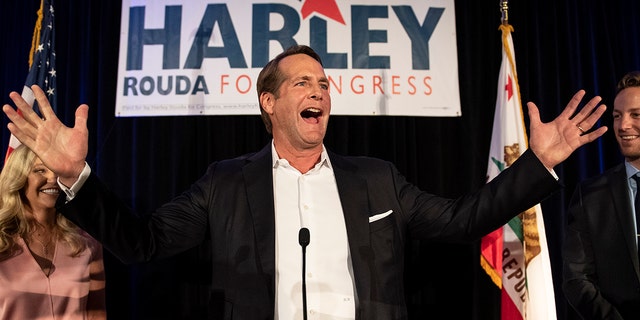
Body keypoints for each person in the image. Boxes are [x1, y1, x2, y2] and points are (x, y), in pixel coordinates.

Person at [3, 45, 607, 319]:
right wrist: (75, 175)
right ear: (268, 102)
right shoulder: (225, 183)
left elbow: (462, 220)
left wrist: (538, 164)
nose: (319, 91)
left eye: (323, 84)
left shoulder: (376, 180)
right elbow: (142, 243)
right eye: (301, 84)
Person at [562, 71, 640, 319]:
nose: (623, 125)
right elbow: (576, 279)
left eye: (635, 114)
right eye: (617, 116)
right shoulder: (592, 195)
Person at [0, 144, 106, 319]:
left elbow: (97, 313)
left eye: (58, 171)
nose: (53, 178)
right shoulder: (2, 239)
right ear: (18, 178)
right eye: (40, 170)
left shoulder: (87, 242)